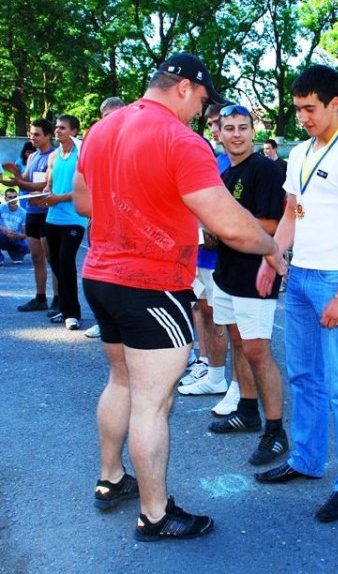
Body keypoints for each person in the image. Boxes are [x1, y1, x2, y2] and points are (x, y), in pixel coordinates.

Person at [73, 52, 286, 542]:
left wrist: (141, 208)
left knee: (121, 381)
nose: (203, 115)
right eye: (203, 102)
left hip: (101, 275)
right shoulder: (178, 138)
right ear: (185, 88)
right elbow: (231, 224)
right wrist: (273, 248)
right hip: (150, 285)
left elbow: (85, 201)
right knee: (153, 401)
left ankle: (110, 479)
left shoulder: (103, 129)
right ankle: (154, 514)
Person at [255, 65, 338, 523]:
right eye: (298, 109)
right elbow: (292, 213)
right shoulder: (301, 152)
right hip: (302, 278)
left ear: (334, 104)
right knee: (305, 376)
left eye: (310, 108)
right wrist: (274, 258)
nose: (303, 117)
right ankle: (306, 460)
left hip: (335, 282)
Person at [203, 105, 288, 467]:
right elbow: (218, 229)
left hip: (256, 276)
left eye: (243, 127)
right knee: (238, 343)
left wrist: (227, 223)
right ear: (217, 133)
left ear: (253, 131)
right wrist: (212, 232)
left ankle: (275, 431)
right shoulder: (224, 174)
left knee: (258, 351)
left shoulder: (266, 171)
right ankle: (248, 410)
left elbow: (271, 225)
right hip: (226, 273)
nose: (236, 134)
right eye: (229, 128)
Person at [178, 103, 234, 412]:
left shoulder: (235, 163)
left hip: (219, 256)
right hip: (199, 250)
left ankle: (236, 387)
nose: (215, 129)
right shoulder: (213, 159)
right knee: (206, 311)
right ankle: (214, 374)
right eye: (213, 124)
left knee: (225, 319)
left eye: (220, 123)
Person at [33, 116, 87, 331]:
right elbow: (49, 185)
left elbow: (85, 190)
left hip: (74, 218)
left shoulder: (82, 156)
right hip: (52, 218)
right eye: (56, 127)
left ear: (73, 131)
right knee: (55, 263)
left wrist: (59, 198)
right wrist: (43, 195)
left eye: (62, 128)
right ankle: (65, 309)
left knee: (65, 261)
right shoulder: (54, 156)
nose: (57, 131)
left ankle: (73, 313)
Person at [1, 119, 58, 313]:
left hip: (47, 213)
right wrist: (9, 178)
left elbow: (43, 187)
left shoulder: (54, 156)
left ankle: (58, 300)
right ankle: (40, 298)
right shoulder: (33, 156)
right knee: (36, 257)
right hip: (32, 213)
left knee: (52, 259)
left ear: (48, 135)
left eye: (36, 134)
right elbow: (23, 181)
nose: (32, 137)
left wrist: (20, 182)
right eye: (31, 134)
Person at [84, 97, 126, 339]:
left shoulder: (137, 142)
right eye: (108, 116)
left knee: (125, 272)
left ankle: (124, 322)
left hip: (131, 222)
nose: (114, 121)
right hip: (101, 220)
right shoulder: (95, 144)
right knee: (102, 272)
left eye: (118, 115)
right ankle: (105, 322)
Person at [0, 188, 30, 264]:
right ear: (5, 198)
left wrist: (16, 236)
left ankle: (14, 251)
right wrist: (5, 230)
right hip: (2, 234)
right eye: (10, 197)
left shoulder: (23, 213)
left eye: (15, 197)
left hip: (15, 237)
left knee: (27, 247)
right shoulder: (1, 207)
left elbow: (25, 234)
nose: (13, 199)